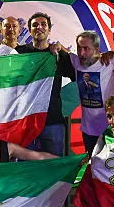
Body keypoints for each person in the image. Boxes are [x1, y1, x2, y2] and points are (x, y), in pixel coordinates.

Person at [15, 12, 76, 156]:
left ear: (49, 30)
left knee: (53, 166)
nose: (39, 27)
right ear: (29, 30)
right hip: (26, 119)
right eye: (35, 25)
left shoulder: (59, 54)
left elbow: (79, 71)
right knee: (26, 167)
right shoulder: (19, 53)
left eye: (43, 25)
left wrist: (64, 51)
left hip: (52, 120)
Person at [70, 31, 114, 154]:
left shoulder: (111, 61)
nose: (82, 53)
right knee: (93, 166)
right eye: (79, 48)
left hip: (110, 129)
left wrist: (113, 53)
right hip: (88, 130)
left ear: (97, 49)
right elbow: (62, 50)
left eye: (86, 49)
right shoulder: (76, 61)